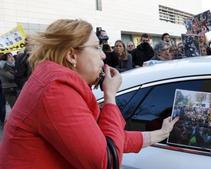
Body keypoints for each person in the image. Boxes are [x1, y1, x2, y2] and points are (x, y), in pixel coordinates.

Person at [0, 19, 179, 168]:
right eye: (95, 47)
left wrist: (161, 133)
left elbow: (108, 138)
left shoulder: (55, 80)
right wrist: (110, 97)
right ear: (71, 55)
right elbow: (107, 160)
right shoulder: (56, 89)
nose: (103, 56)